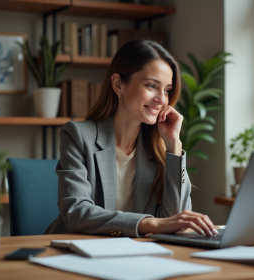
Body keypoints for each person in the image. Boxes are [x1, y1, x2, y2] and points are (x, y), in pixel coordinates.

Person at [45, 39, 217, 237]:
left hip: (136, 256)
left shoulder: (159, 148)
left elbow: (174, 219)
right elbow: (76, 214)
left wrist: (174, 146)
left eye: (167, 90)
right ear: (118, 84)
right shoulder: (78, 136)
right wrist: (151, 224)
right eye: (152, 85)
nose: (162, 99)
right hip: (75, 252)